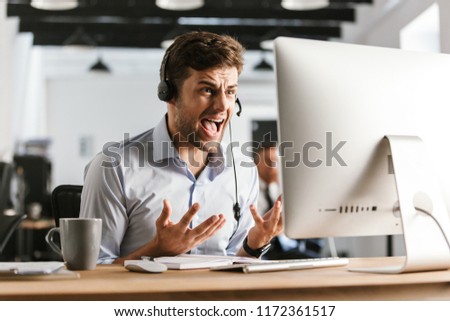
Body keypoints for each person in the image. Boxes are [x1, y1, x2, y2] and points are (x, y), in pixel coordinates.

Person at [79, 31, 282, 264]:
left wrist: (254, 244)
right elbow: (92, 272)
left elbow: (235, 266)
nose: (223, 106)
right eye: (207, 90)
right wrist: (156, 251)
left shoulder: (243, 169)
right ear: (170, 94)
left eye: (230, 91)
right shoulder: (113, 166)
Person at [254, 141, 323, 260]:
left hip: (290, 244)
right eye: (268, 161)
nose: (273, 165)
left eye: (275, 161)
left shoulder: (280, 188)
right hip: (268, 248)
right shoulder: (252, 192)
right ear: (256, 163)